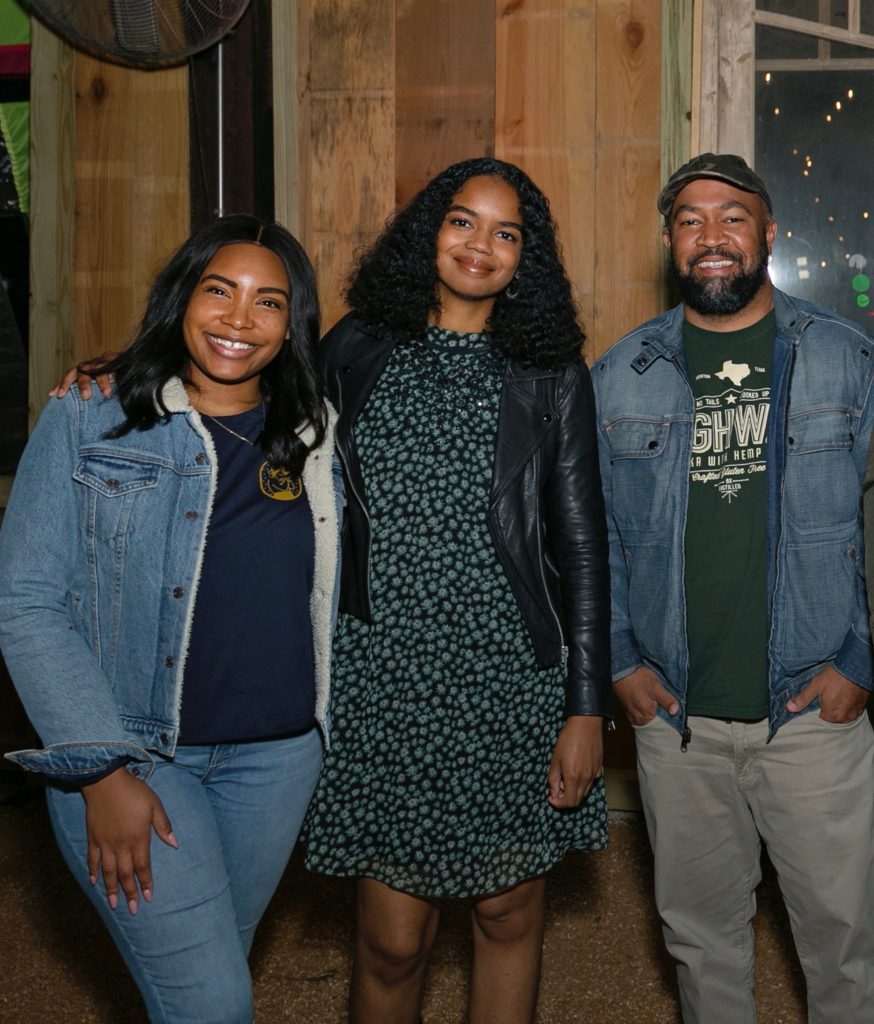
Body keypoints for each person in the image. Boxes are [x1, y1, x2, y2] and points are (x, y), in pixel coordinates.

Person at [53, 157, 611, 1023]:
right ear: (430, 228)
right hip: (376, 674)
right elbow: (239, 372)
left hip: (510, 680)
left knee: (507, 910)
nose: (480, 245)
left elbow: (582, 546)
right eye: (463, 220)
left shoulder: (551, 373)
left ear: (525, 258)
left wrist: (584, 709)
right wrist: (126, 370)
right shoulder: (357, 345)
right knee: (392, 939)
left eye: (507, 233)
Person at [0, 215, 344, 1024]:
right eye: (219, 291)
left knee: (205, 977)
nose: (237, 319)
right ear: (181, 295)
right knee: (214, 1004)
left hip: (280, 762)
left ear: (291, 324)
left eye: (268, 303)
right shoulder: (90, 416)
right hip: (141, 757)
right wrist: (101, 770)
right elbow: (26, 602)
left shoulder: (314, 430)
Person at [593, 152, 874, 1024]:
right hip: (677, 721)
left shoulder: (843, 357)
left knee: (845, 946)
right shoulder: (620, 375)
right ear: (670, 242)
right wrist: (621, 662)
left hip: (812, 712)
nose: (711, 237)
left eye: (732, 217)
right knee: (703, 944)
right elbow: (593, 538)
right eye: (690, 220)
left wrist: (862, 657)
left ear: (767, 232)